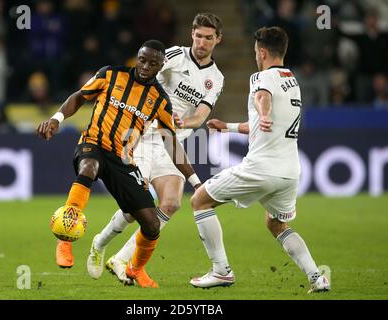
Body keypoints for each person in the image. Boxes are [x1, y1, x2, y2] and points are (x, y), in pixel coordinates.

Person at [36, 40, 200, 288]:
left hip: (123, 159)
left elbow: (171, 142)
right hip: (92, 143)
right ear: (137, 57)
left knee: (152, 224)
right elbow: (79, 97)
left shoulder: (159, 99)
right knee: (88, 168)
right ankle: (65, 237)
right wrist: (57, 118)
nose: (145, 66)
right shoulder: (111, 74)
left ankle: (135, 268)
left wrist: (195, 181)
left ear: (161, 65)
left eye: (153, 63)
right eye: (142, 60)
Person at [188, 26, 330, 293]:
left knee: (199, 200)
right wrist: (228, 127)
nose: (255, 56)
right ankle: (317, 277)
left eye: (255, 52)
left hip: (261, 168)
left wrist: (263, 113)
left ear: (262, 52)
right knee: (276, 223)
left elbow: (262, 97)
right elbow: (258, 124)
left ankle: (221, 271)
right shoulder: (293, 81)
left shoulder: (261, 77)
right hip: (289, 172)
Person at [85, 13, 224, 284]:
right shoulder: (173, 55)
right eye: (198, 36)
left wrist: (187, 121)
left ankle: (123, 258)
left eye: (208, 38)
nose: (202, 42)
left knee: (170, 204)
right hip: (145, 135)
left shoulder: (216, 78)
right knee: (134, 207)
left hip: (173, 141)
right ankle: (100, 243)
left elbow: (202, 114)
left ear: (218, 39)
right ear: (192, 34)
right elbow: (141, 77)